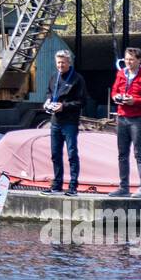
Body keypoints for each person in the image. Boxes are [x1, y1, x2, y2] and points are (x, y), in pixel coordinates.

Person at [109, 47, 141, 197]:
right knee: (122, 154)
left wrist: (135, 101)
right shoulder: (120, 73)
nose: (128, 62)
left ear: (139, 60)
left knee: (139, 153)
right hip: (122, 117)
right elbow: (114, 91)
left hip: (137, 119)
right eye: (126, 59)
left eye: (131, 60)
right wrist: (116, 97)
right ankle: (123, 187)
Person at [41, 50, 85, 196]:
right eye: (58, 62)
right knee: (55, 154)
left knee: (72, 153)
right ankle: (57, 185)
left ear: (69, 63)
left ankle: (73, 186)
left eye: (63, 62)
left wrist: (64, 106)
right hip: (55, 121)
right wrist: (48, 102)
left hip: (70, 122)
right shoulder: (54, 77)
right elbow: (49, 92)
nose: (60, 65)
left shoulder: (77, 79)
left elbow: (81, 102)